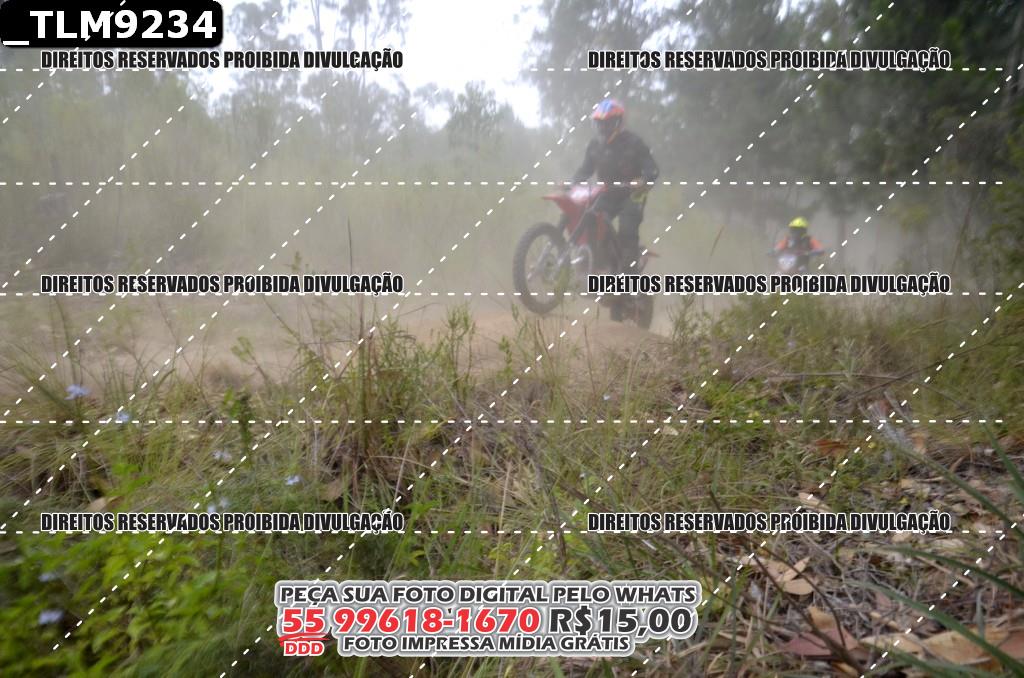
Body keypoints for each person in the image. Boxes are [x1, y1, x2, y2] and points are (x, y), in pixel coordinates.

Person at [571, 99, 659, 273]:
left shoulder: (634, 143)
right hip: (607, 193)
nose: (603, 128)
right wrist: (571, 183)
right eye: (600, 123)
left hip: (632, 195)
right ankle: (597, 263)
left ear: (618, 123)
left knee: (627, 230)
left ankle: (629, 273)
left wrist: (643, 181)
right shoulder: (595, 145)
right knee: (592, 220)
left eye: (607, 123)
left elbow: (653, 170)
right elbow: (585, 170)